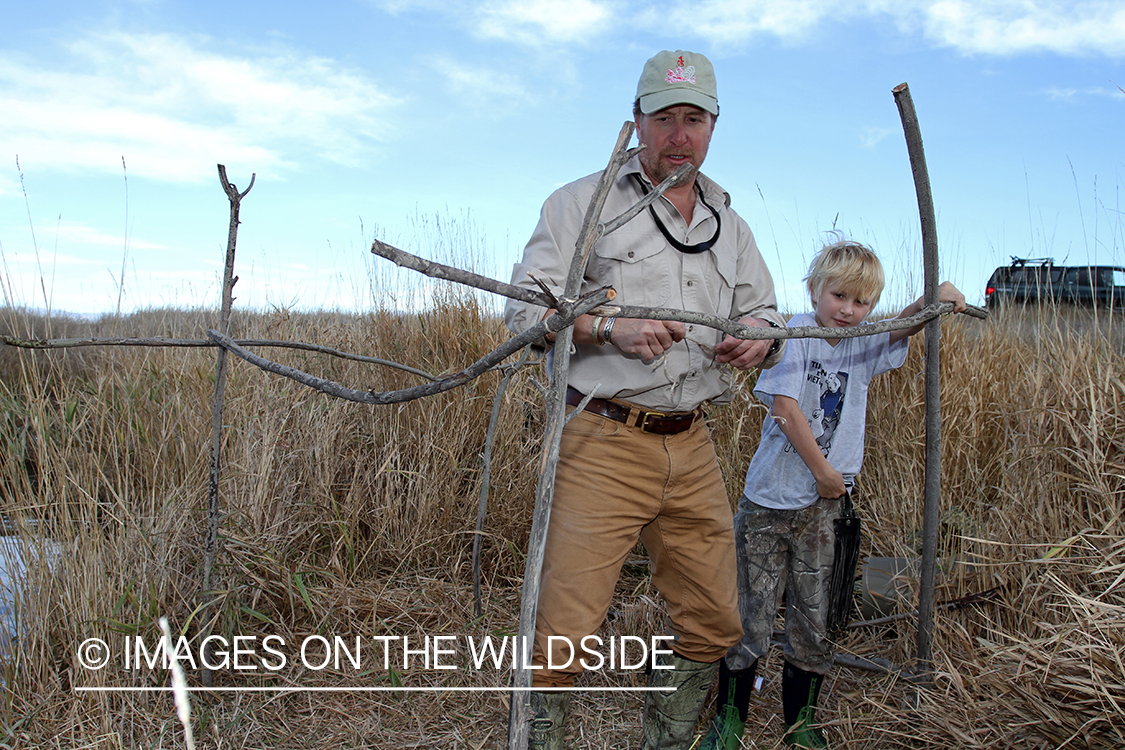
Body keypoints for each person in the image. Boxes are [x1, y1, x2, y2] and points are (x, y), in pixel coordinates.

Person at [504, 49, 785, 749]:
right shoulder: (581, 203)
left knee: (715, 621)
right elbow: (521, 317)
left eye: (693, 119)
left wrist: (759, 340)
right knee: (562, 629)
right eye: (664, 118)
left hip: (691, 444)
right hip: (600, 438)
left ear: (713, 126)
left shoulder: (731, 223)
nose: (679, 135)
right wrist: (604, 327)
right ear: (636, 122)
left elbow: (768, 313)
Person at [702, 238, 966, 749]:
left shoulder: (862, 340)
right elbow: (784, 407)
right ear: (815, 290)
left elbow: (900, 328)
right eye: (839, 296)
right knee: (749, 612)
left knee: (814, 615)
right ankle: (729, 718)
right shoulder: (795, 335)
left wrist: (930, 301)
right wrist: (824, 472)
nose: (848, 310)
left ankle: (802, 724)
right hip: (771, 503)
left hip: (826, 510)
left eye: (861, 302)